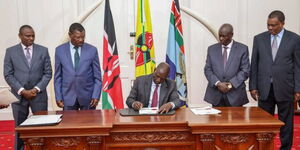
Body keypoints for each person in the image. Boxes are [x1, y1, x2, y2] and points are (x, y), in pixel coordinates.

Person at [249, 10, 300, 150]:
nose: (270, 28)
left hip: (285, 87)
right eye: (268, 25)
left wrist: (298, 89)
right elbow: (254, 63)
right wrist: (252, 86)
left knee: (286, 123)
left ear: (282, 23)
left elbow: (298, 66)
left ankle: (285, 148)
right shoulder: (259, 39)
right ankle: (264, 147)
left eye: (274, 25)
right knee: (264, 123)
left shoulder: (295, 39)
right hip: (264, 88)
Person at [3, 25, 52, 150]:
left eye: (33, 35)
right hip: (19, 96)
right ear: (20, 36)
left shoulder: (43, 50)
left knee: (41, 128)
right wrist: (22, 90)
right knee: (19, 128)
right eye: (28, 36)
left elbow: (48, 73)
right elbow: (8, 74)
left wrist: (36, 89)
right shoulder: (10, 51)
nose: (31, 38)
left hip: (38, 96)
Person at [54, 23, 102, 110]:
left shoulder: (92, 50)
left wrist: (96, 95)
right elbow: (58, 77)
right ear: (70, 35)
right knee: (69, 123)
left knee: (89, 123)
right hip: (68, 97)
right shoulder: (59, 50)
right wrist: (58, 96)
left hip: (88, 97)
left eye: (83, 37)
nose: (81, 40)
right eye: (78, 37)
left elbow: (97, 77)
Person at [204, 24, 250, 107]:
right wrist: (218, 83)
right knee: (215, 120)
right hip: (216, 94)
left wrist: (229, 84)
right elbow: (207, 69)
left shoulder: (242, 49)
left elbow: (245, 70)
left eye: (224, 36)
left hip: (235, 95)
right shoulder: (211, 49)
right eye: (220, 36)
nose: (221, 38)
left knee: (237, 120)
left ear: (231, 35)